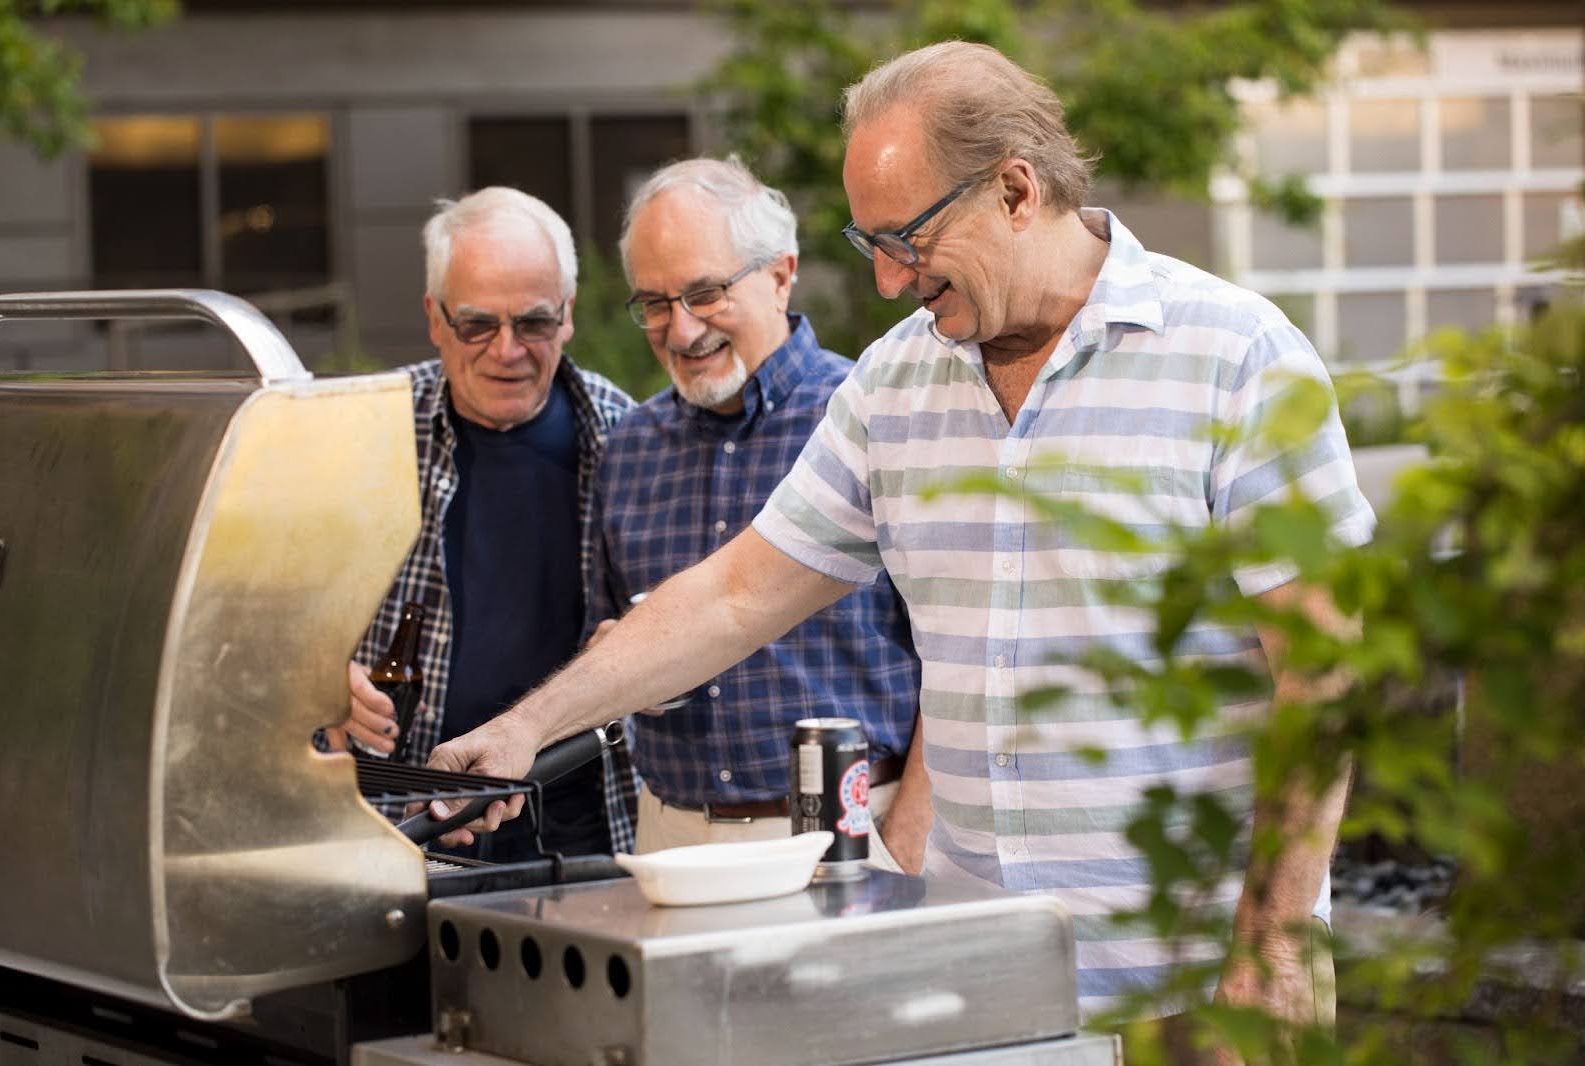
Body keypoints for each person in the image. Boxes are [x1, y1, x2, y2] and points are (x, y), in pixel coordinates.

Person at [424, 42, 1375, 1037]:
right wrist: (525, 730)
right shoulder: (894, 382)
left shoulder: (1236, 358)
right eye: (868, 241)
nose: (885, 280)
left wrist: (1274, 938)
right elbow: (736, 594)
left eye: (907, 238)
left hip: (1188, 984)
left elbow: (1324, 672)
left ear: (1015, 190)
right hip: (974, 980)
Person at [588, 157, 927, 869]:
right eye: (653, 302)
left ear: (780, 273)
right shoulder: (627, 451)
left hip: (856, 833)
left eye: (705, 292)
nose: (680, 330)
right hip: (672, 842)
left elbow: (956, 660)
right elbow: (606, 632)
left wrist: (907, 843)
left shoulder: (872, 417)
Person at [325, 185, 637, 862]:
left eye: (532, 323)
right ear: (434, 319)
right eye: (476, 325)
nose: (506, 350)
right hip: (393, 816)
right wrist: (316, 680)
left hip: (580, 816)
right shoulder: (358, 430)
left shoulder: (629, 436)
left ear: (569, 316)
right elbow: (257, 607)